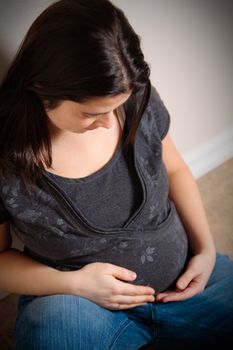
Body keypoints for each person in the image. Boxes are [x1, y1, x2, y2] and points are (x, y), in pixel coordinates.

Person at [0, 0, 232, 349]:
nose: (109, 122)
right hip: (79, 303)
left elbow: (176, 169)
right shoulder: (6, 157)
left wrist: (206, 250)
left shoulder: (137, 99)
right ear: (43, 89)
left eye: (115, 108)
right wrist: (76, 284)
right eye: (92, 112)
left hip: (186, 281)